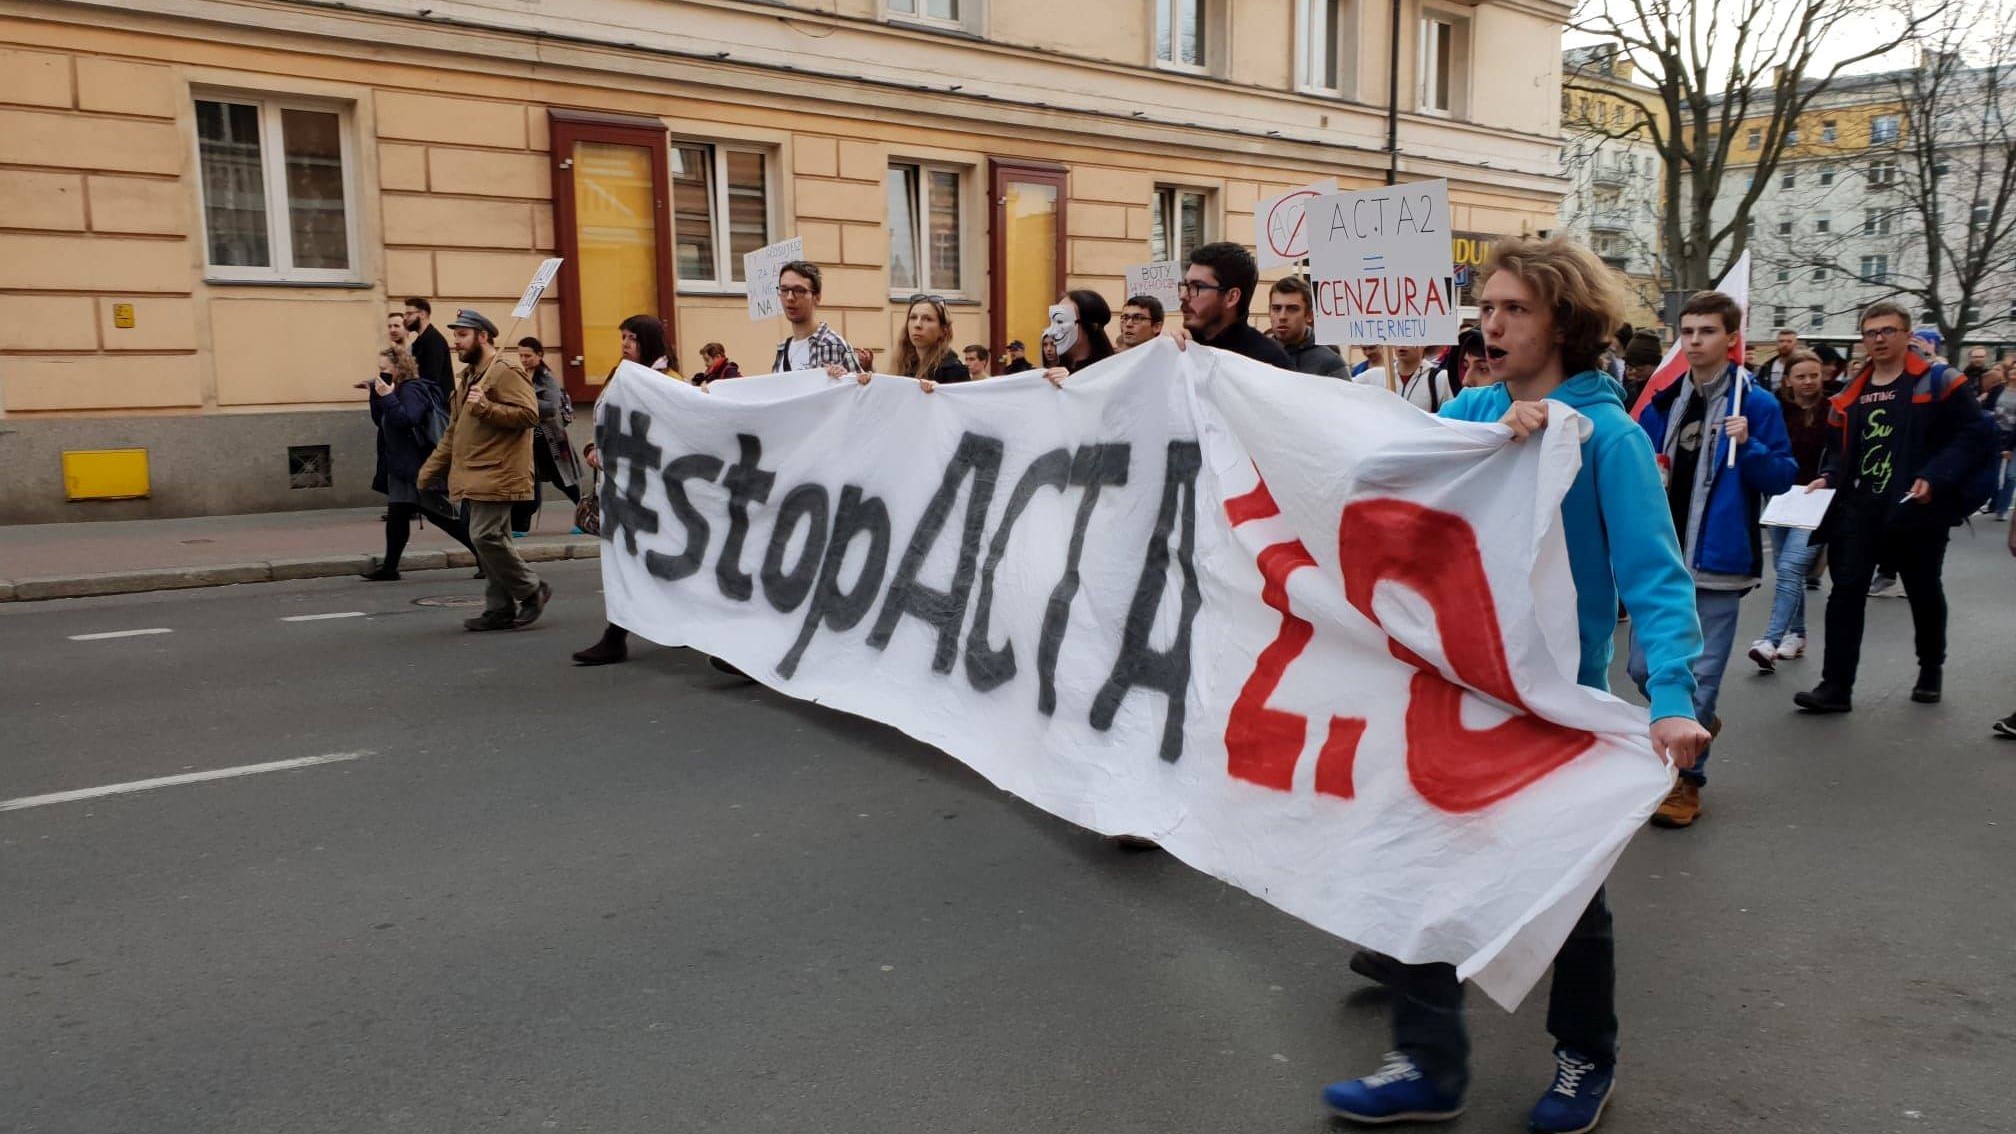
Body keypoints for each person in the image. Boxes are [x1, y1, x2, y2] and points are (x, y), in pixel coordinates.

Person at [1323, 235, 1708, 1133]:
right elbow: (1366, 468)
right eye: (1487, 309)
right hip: (1449, 690)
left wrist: (1673, 699)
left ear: (1563, 323)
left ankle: (1586, 1057)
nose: (1491, 325)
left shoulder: (1610, 439)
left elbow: (1656, 578)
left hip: (1550, 705)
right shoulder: (1469, 409)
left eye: (1514, 310)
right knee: (1414, 865)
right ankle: (1427, 1065)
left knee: (1565, 896)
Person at [1631, 291, 1796, 827]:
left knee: (1698, 678)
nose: (1695, 341)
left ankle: (1686, 783)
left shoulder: (1756, 404)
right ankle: (1698, 724)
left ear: (1731, 338)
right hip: (1662, 560)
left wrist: (1749, 446)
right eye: (1688, 331)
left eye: (1706, 331)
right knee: (1643, 668)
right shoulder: (1665, 400)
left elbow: (1782, 477)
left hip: (1719, 562)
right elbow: (1639, 465)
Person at [1794, 298, 1994, 713]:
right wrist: (1828, 477)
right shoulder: (1851, 392)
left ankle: (1930, 669)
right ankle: (1836, 687)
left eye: (1888, 330)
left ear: (1907, 335)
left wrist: (1935, 476)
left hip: (1916, 509)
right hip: (1858, 509)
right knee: (1845, 593)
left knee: (1923, 589)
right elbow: (1839, 452)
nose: (1879, 339)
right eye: (1871, 333)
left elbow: (1974, 434)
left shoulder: (1939, 381)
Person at [415, 308, 550, 632]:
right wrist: (429, 470)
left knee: (484, 536)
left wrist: (487, 407)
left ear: (484, 336)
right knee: (493, 542)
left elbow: (529, 415)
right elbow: (454, 433)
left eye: (462, 335)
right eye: (455, 335)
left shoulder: (505, 371)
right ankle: (499, 608)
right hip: (475, 471)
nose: (456, 342)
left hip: (499, 471)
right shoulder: (469, 378)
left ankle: (532, 589)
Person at [573, 316, 685, 666]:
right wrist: (592, 446)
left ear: (648, 342)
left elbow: (677, 435)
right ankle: (617, 635)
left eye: (632, 338)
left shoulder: (668, 381)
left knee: (652, 561)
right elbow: (605, 421)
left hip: (655, 492)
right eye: (622, 336)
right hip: (618, 488)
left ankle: (630, 634)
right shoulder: (620, 375)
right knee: (623, 562)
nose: (624, 344)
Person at [361, 344, 477, 581]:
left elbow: (407, 419)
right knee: (397, 515)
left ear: (399, 368)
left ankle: (486, 558)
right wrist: (375, 394)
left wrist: (388, 397)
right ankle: (390, 568)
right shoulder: (396, 389)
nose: (381, 374)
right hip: (401, 465)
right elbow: (380, 420)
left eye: (384, 369)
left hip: (417, 464)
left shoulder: (412, 390)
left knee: (441, 516)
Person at [1747, 350, 1829, 671]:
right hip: (1781, 499)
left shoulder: (1834, 410)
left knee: (1792, 566)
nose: (1808, 382)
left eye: (1814, 375)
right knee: (1785, 569)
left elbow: (1843, 453)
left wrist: (1831, 476)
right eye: (1801, 376)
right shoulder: (1776, 411)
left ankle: (1770, 641)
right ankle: (1796, 634)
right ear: (1788, 381)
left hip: (1819, 500)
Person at [1169, 242, 1292, 367]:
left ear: (1232, 297)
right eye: (1185, 285)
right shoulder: (1179, 347)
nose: (1183, 296)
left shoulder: (1270, 362)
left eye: (1197, 287)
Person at [511, 337, 583, 535]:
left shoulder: (547, 378)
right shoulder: (520, 375)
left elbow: (551, 408)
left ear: (539, 355)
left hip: (550, 438)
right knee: (528, 480)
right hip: (528, 437)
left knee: (564, 481)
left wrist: (525, 400)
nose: (524, 360)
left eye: (528, 356)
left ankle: (589, 513)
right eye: (521, 356)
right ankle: (520, 525)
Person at [769, 261, 857, 374]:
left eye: (799, 290)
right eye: (784, 290)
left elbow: (861, 383)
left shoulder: (833, 345)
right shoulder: (782, 349)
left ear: (817, 297)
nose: (790, 297)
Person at [1267, 277, 1348, 377]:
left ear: (1309, 315)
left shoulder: (1331, 364)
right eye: (1276, 308)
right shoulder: (1257, 358)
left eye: (1292, 309)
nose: (1282, 316)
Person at [1037, 290, 1116, 383]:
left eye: (1060, 321)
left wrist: (1071, 383)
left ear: (1090, 325)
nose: (1051, 332)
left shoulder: (1111, 373)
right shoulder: (1054, 369)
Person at [895, 294, 973, 385]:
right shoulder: (905, 365)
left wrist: (939, 390)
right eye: (913, 317)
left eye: (928, 319)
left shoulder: (954, 370)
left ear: (943, 330)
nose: (917, 325)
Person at [402, 297, 455, 400]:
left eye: (409, 314)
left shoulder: (433, 340)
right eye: (405, 314)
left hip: (435, 405)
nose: (405, 318)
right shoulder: (421, 340)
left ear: (422, 314)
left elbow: (431, 381)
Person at [1981, 364, 2015, 519]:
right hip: (1996, 433)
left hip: (2014, 436)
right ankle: (1993, 502)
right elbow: (1987, 408)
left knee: (2010, 475)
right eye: (2013, 369)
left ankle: (2002, 509)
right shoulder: (1999, 389)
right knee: (1993, 470)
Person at [1620, 329, 1664, 406]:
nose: (1633, 371)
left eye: (1639, 367)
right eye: (1630, 366)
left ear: (1655, 364)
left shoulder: (1666, 392)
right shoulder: (1628, 392)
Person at [1754, 327, 1801, 391]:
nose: (1785, 344)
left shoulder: (1803, 365)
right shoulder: (1766, 367)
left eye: (1789, 341)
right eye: (1781, 341)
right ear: (1777, 343)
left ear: (1796, 344)